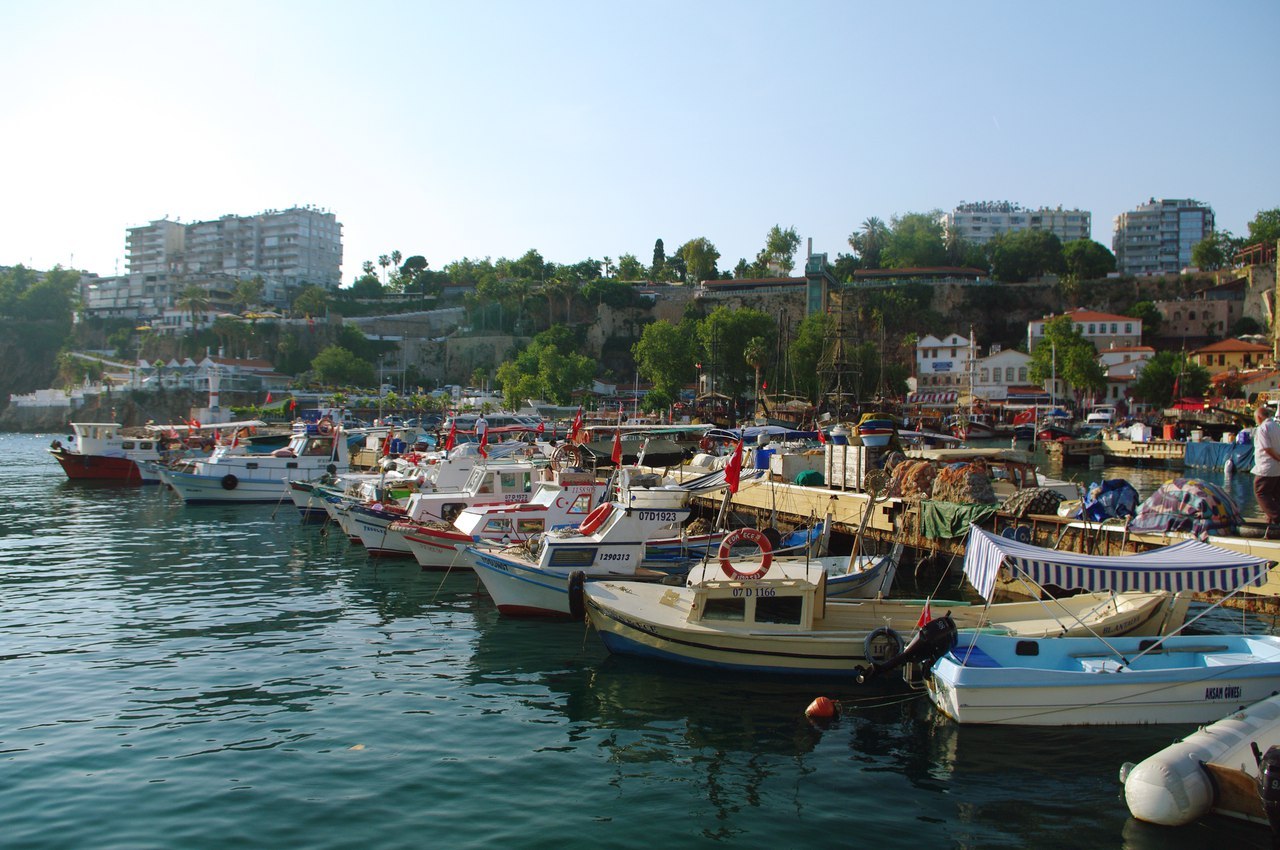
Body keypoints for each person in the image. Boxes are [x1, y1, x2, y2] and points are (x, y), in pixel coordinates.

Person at [1253, 403, 1280, 535]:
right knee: (1275, 494)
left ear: (1259, 417)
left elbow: (1267, 448)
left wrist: (1278, 458)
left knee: (1261, 492)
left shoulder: (1263, 428)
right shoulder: (1276, 426)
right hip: (1276, 469)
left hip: (1267, 467)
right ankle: (1271, 523)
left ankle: (1276, 517)